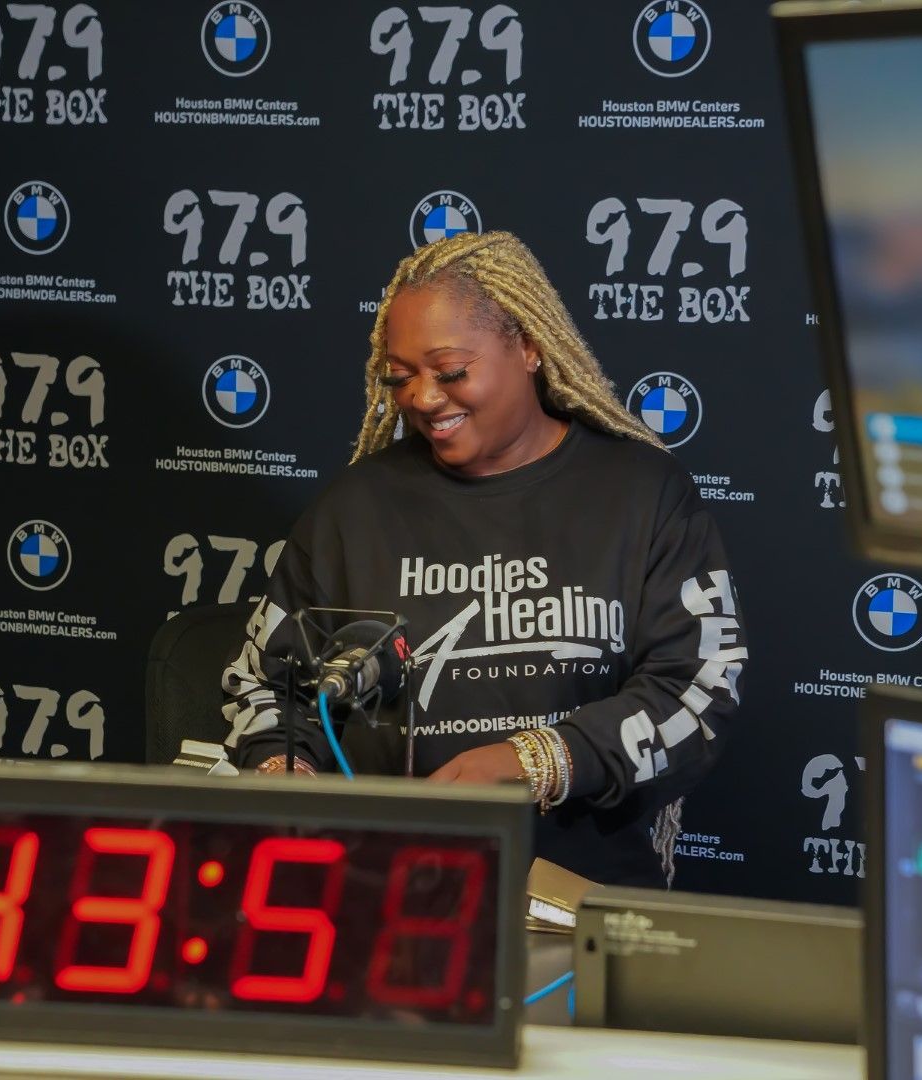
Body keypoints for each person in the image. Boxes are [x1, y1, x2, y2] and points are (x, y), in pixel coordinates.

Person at [221, 231, 746, 887]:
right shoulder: (353, 510)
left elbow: (697, 689)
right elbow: (267, 685)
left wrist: (537, 761)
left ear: (528, 344)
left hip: (573, 897)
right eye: (400, 376)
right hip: (384, 892)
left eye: (449, 371)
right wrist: (283, 771)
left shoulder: (641, 494)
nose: (421, 398)